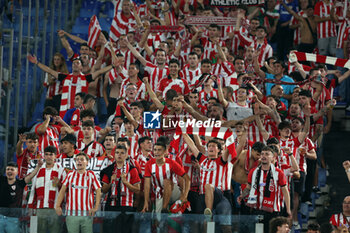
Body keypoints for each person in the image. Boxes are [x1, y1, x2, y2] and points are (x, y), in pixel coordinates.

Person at [27, 54, 114, 117]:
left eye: (78, 63)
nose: (75, 64)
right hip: (66, 110)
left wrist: (113, 65)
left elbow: (99, 72)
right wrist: (37, 62)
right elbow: (50, 71)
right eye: (74, 63)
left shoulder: (86, 78)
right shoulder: (65, 77)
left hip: (80, 110)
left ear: (81, 67)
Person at [238, 146, 291, 233]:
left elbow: (285, 192)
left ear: (273, 157)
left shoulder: (279, 173)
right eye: (262, 154)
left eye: (267, 154)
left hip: (273, 211)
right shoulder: (253, 172)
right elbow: (248, 187)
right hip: (257, 209)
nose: (263, 156)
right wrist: (242, 195)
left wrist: (288, 209)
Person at [55, 152, 102, 233]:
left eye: (82, 159)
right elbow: (62, 190)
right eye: (77, 160)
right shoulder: (70, 174)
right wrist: (57, 205)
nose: (79, 161)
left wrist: (96, 207)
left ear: (87, 162)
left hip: (87, 214)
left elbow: (98, 190)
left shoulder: (91, 175)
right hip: (72, 214)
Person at [28, 146, 67, 233]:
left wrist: (59, 184)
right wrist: (31, 206)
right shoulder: (38, 170)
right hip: (40, 208)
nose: (49, 157)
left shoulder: (61, 170)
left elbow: (66, 190)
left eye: (51, 154)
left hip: (55, 208)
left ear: (55, 156)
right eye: (46, 154)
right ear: (44, 156)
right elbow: (33, 190)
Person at [142, 142, 190, 213]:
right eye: (155, 150)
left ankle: (164, 209)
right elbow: (147, 185)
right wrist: (146, 202)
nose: (156, 152)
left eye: (159, 150)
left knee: (166, 181)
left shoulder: (171, 163)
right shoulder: (149, 164)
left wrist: (184, 195)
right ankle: (163, 211)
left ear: (164, 152)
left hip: (173, 191)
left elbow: (187, 179)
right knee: (158, 221)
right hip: (159, 193)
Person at [0, 160, 43, 233]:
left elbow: (31, 176)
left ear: (16, 172)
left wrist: (38, 167)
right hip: (0, 217)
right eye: (8, 169)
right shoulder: (1, 180)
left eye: (12, 169)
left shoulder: (20, 183)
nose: (9, 171)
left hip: (13, 219)